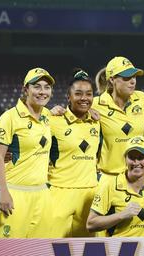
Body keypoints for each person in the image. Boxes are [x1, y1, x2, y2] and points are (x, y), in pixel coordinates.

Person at [0, 67, 54, 238]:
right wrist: (3, 191)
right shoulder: (9, 118)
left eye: (47, 87)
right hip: (14, 193)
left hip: (42, 195)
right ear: (26, 90)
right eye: (37, 86)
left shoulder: (48, 116)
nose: (42, 92)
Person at [47, 69, 100, 237]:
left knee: (87, 253)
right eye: (78, 94)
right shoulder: (52, 121)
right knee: (51, 249)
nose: (84, 98)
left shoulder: (98, 122)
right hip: (59, 192)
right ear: (68, 97)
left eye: (89, 94)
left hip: (90, 194)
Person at [91, 56, 144, 184]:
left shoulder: (142, 99)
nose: (133, 81)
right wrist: (56, 111)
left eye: (134, 77)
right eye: (126, 77)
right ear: (112, 79)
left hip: (137, 178)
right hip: (107, 179)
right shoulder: (96, 105)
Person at [87, 136, 144, 237]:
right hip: (120, 248)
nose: (136, 162)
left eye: (141, 157)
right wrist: (121, 215)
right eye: (131, 157)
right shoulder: (110, 185)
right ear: (125, 159)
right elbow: (91, 224)